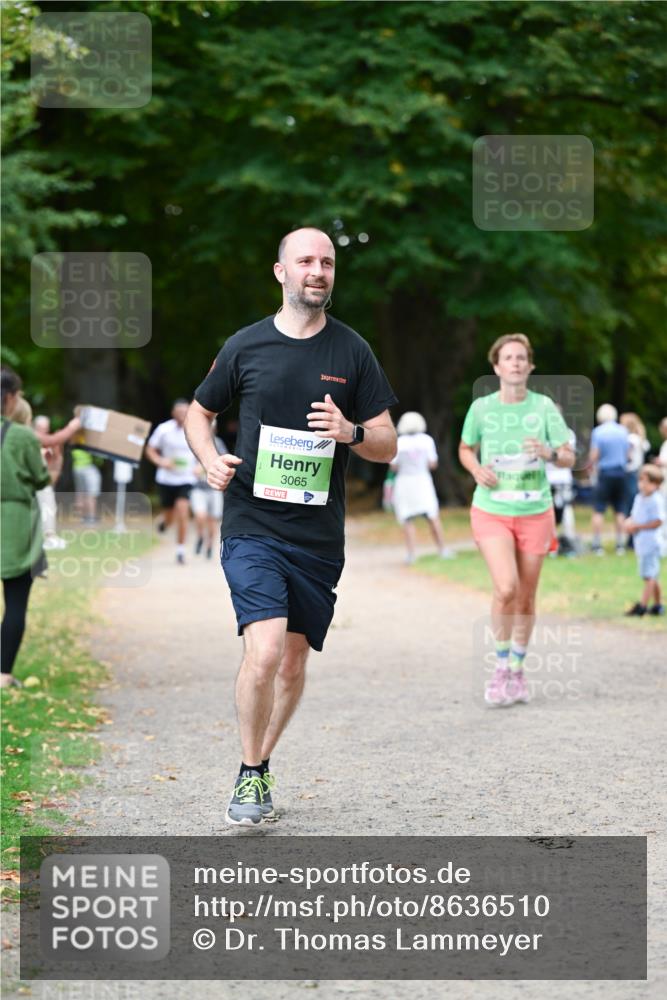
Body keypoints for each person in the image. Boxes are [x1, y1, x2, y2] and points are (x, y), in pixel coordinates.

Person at [185, 226, 397, 825]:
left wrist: (351, 432)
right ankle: (250, 773)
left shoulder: (352, 352)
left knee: (294, 662)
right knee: (267, 647)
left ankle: (263, 761)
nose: (317, 270)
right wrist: (209, 460)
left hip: (318, 538)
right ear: (280, 272)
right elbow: (200, 413)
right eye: (305, 260)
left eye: (327, 262)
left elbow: (386, 442)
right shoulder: (245, 347)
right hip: (252, 521)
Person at [458, 333, 574, 708]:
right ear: (496, 367)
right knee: (506, 587)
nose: (516, 363)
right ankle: (500, 669)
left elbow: (570, 456)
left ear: (530, 366)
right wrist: (476, 469)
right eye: (508, 357)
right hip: (491, 509)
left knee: (525, 596)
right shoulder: (482, 408)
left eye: (522, 357)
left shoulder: (544, 408)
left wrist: (550, 452)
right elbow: (464, 448)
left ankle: (518, 671)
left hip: (535, 511)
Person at [1, 368, 60, 688]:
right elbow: (41, 481)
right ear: (10, 398)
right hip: (14, 523)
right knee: (15, 602)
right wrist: (54, 466)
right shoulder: (22, 436)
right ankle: (2, 673)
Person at [390, 411, 454, 563]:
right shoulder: (427, 441)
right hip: (422, 480)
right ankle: (442, 549)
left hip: (404, 482)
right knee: (432, 515)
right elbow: (433, 463)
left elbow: (393, 466)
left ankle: (411, 554)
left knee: (407, 518)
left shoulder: (399, 442)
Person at [145, 399, 198, 565]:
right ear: (173, 414)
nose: (182, 415)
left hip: (186, 478)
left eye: (185, 412)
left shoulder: (196, 429)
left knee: (183, 510)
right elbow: (150, 449)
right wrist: (161, 461)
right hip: (166, 478)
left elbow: (204, 449)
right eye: (179, 412)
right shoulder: (164, 429)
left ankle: (180, 551)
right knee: (170, 515)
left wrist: (200, 467)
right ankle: (164, 523)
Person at [588, 404, 630, 556]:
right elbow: (628, 454)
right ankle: (620, 544)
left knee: (599, 509)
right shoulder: (623, 431)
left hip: (605, 473)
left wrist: (590, 466)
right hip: (621, 472)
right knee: (619, 509)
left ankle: (597, 544)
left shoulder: (598, 432)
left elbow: (594, 455)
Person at [623, 464, 665, 616]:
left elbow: (659, 521)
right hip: (641, 543)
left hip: (651, 544)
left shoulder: (655, 500)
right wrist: (629, 522)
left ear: (656, 484)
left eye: (647, 482)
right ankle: (658, 605)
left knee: (649, 576)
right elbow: (635, 516)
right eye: (641, 481)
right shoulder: (639, 498)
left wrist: (639, 526)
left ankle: (642, 606)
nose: (643, 485)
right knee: (653, 575)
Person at [191, 419, 227, 559]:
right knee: (200, 516)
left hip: (213, 488)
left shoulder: (218, 443)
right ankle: (200, 536)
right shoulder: (194, 442)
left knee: (213, 519)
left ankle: (209, 546)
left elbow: (225, 459)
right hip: (198, 488)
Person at [545, 405, 577, 556]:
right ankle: (561, 543)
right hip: (559, 478)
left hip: (553, 478)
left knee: (554, 512)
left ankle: (561, 543)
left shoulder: (561, 434)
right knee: (563, 511)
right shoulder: (568, 433)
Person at [33, 415, 67, 550]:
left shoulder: (50, 447)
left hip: (41, 485)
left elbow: (52, 479)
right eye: (41, 429)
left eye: (46, 430)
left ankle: (49, 536)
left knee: (47, 496)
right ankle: (49, 536)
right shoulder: (29, 440)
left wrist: (57, 455)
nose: (44, 433)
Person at [620, 412, 650, 534]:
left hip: (629, 473)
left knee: (629, 505)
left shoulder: (630, 439)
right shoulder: (641, 439)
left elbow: (628, 456)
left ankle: (630, 534)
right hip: (637, 473)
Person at [71, 448, 102, 524]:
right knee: (91, 495)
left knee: (80, 494)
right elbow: (98, 459)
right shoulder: (88, 441)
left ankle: (80, 518)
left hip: (76, 467)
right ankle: (91, 517)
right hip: (88, 467)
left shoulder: (74, 441)